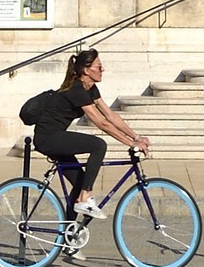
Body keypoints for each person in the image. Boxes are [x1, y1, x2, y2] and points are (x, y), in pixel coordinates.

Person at [31, 49, 150, 224]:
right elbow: (101, 123)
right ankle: (86, 197)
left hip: (57, 136)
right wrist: (131, 143)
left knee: (79, 183)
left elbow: (110, 115)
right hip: (48, 138)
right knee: (98, 145)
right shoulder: (76, 89)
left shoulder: (90, 88)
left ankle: (68, 238)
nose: (103, 70)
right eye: (99, 67)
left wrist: (136, 137)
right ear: (87, 70)